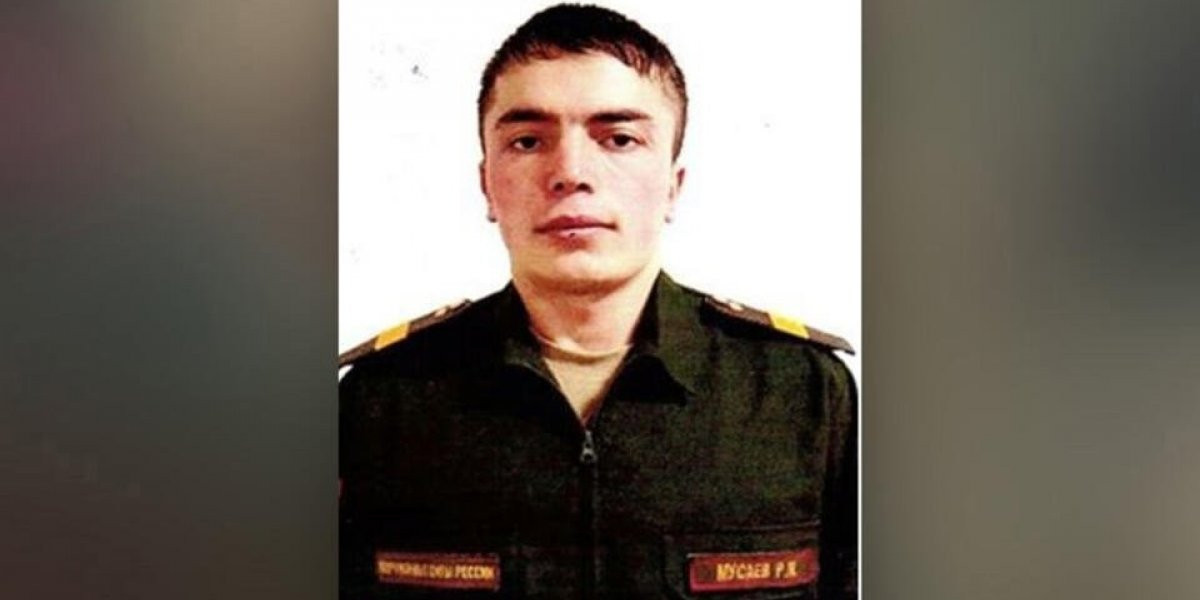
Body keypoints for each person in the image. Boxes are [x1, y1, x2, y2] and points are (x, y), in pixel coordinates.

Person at [339, 4, 857, 598]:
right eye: (527, 141)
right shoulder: (381, 403)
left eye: (619, 139)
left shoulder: (804, 396)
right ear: (487, 185)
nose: (571, 172)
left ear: (673, 184)